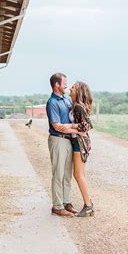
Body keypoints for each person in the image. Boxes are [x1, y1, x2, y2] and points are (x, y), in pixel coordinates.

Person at [58, 82, 94, 217]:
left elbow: (86, 128)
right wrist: (70, 128)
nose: (70, 88)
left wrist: (68, 125)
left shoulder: (78, 107)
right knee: (80, 175)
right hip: (77, 141)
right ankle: (89, 203)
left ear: (78, 91)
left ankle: (88, 205)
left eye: (73, 87)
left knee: (79, 175)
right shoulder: (75, 105)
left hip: (80, 143)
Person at [46, 73, 78, 217]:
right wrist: (77, 128)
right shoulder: (52, 102)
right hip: (58, 139)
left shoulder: (66, 99)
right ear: (56, 85)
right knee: (58, 173)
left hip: (68, 140)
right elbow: (57, 126)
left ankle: (67, 202)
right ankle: (57, 206)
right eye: (64, 83)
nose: (66, 85)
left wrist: (74, 129)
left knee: (66, 174)